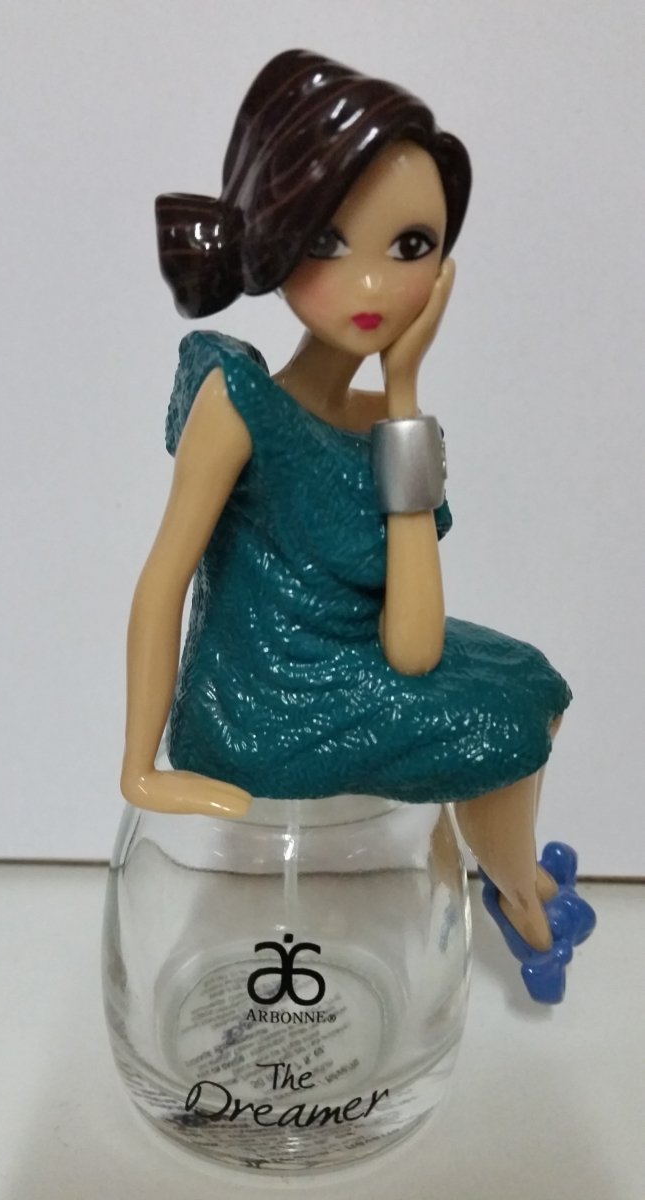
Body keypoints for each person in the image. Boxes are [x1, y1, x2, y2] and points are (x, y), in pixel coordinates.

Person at [120, 49, 594, 1002]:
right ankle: (525, 900)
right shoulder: (235, 399)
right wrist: (141, 768)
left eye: (410, 246)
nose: (372, 286)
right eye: (329, 242)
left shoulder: (388, 422)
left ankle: (513, 878)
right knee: (499, 720)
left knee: (530, 682)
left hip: (354, 659)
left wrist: (404, 395)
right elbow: (166, 577)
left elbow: (411, 638)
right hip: (265, 697)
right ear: (276, 236)